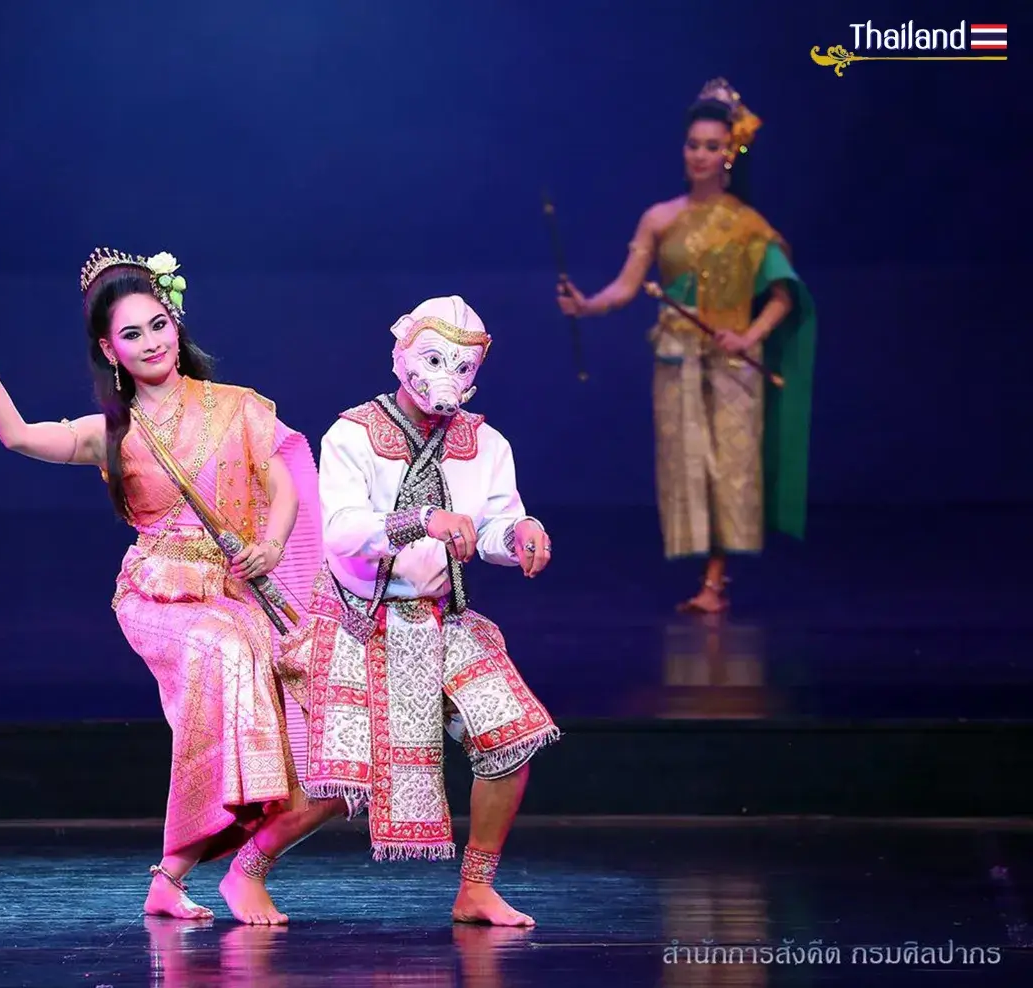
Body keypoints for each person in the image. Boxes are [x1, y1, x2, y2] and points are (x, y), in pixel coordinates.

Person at [0, 247, 344, 924]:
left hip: (231, 591)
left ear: (177, 324)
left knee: (280, 682)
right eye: (131, 334)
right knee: (225, 649)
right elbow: (19, 437)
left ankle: (174, 876)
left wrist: (270, 546)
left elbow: (282, 483)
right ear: (110, 351)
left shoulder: (237, 408)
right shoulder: (112, 432)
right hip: (157, 596)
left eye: (158, 324)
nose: (151, 342)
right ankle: (209, 842)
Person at [277, 295, 560, 927]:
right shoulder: (352, 433)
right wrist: (421, 520)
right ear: (402, 357)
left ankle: (476, 887)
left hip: (444, 618)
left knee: (511, 736)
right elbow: (344, 531)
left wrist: (518, 537)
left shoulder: (486, 443)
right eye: (436, 360)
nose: (449, 379)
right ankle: (248, 869)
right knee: (342, 786)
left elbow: (491, 524)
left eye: (463, 368)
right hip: (363, 619)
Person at [556, 78, 817, 613]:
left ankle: (715, 580)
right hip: (676, 360)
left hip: (733, 362)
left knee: (730, 467)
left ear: (730, 154)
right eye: (693, 145)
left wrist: (748, 334)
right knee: (688, 463)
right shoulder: (660, 218)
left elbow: (784, 296)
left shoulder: (747, 226)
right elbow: (627, 288)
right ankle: (707, 574)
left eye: (712, 146)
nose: (701, 155)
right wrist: (586, 305)